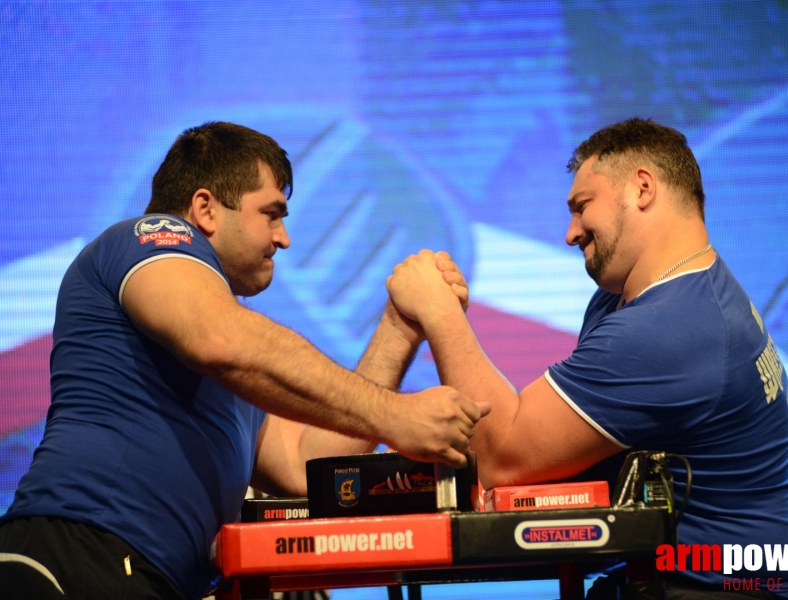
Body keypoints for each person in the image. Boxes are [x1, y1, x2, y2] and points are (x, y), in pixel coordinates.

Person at [0, 121, 487, 600]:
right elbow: (218, 336)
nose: (283, 238)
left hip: (139, 571)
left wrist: (398, 328)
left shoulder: (228, 356)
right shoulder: (148, 238)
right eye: (271, 214)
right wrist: (396, 414)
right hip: (77, 550)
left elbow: (305, 467)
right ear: (206, 208)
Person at [386, 118, 788, 599]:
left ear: (642, 188)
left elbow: (503, 458)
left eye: (582, 208)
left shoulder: (675, 328)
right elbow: (561, 457)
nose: (570, 233)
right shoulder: (638, 298)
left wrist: (438, 312)